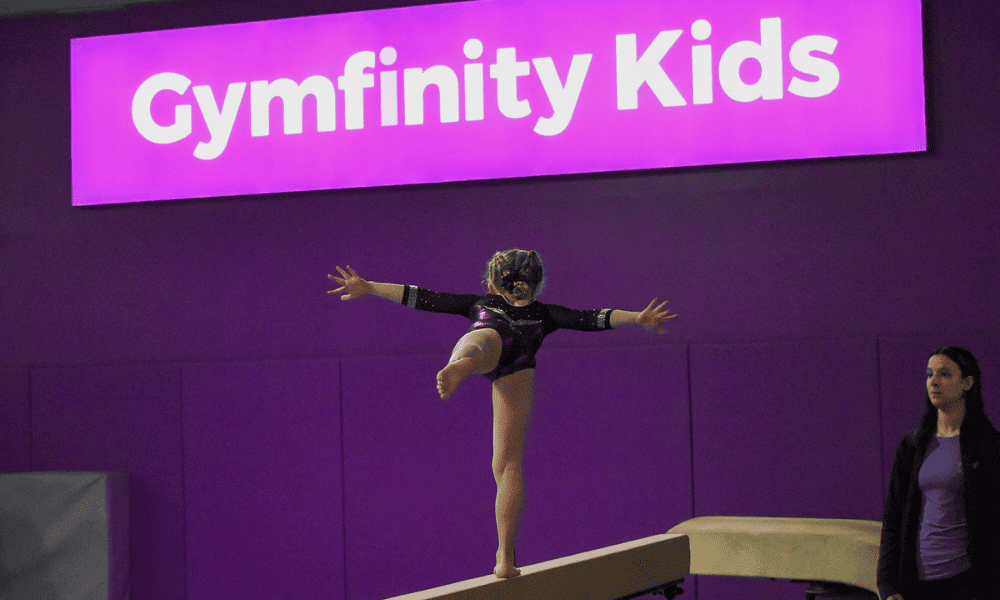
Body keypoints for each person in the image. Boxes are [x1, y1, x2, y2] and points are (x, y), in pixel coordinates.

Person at [328, 249, 677, 579]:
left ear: (493, 284)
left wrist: (370, 287)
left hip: (491, 335)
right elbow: (590, 319)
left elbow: (423, 297)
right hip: (520, 367)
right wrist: (637, 318)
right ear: (536, 284)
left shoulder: (483, 302)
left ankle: (464, 363)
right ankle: (505, 558)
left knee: (480, 340)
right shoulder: (545, 313)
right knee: (507, 464)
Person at [877, 346, 1000, 600]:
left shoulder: (989, 446)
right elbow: (893, 518)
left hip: (967, 583)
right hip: (916, 583)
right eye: (929, 374)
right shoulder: (913, 444)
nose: (933, 381)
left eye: (944, 374)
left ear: (967, 383)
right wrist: (888, 586)